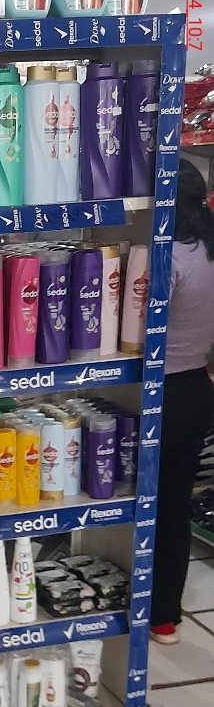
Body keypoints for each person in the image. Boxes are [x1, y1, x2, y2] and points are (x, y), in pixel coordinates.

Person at [151, 159, 214, 643]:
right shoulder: (208, 250)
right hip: (196, 389)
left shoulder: (167, 257)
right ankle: (165, 617)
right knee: (173, 505)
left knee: (132, 501)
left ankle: (125, 597)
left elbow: (145, 328)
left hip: (157, 392)